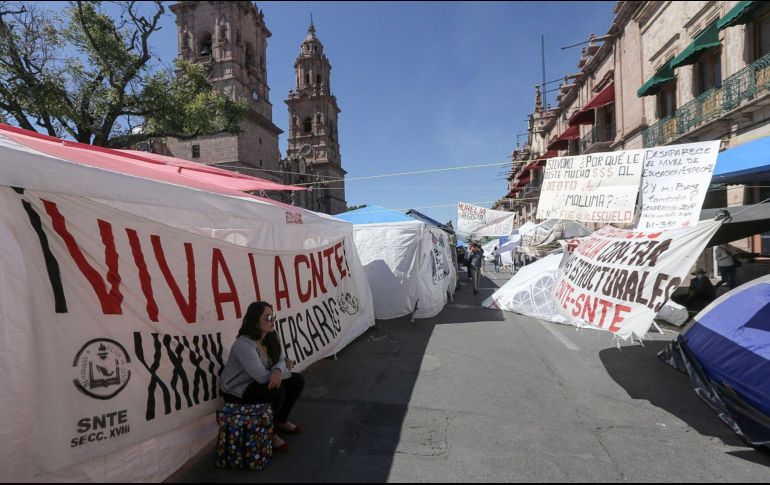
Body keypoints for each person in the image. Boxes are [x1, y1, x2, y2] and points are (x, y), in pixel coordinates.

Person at [220, 301, 305, 453]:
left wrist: (279, 369)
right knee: (277, 390)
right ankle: (269, 432)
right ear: (255, 321)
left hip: (259, 380)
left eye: (273, 316)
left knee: (296, 381)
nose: (273, 320)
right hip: (237, 390)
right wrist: (283, 368)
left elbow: (281, 359)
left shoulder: (271, 335)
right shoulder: (244, 344)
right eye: (268, 317)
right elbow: (262, 377)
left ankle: (281, 420)